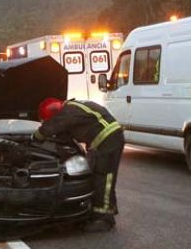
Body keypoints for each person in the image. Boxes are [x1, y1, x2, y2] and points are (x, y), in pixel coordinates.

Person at [33, 98, 125, 231]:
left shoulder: (70, 109)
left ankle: (103, 219)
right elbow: (63, 136)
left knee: (104, 179)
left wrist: (36, 136)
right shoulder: (73, 110)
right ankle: (107, 210)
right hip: (106, 141)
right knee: (101, 177)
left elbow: (53, 125)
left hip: (109, 141)